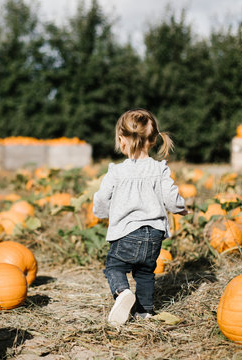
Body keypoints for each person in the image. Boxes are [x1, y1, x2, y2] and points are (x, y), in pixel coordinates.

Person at [93, 108, 187, 326]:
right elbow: (171, 198)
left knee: (114, 268)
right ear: (154, 139)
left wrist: (101, 213)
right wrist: (181, 208)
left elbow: (101, 198)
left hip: (126, 232)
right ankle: (144, 312)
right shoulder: (160, 168)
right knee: (145, 273)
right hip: (154, 234)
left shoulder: (116, 171)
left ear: (121, 140)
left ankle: (123, 292)